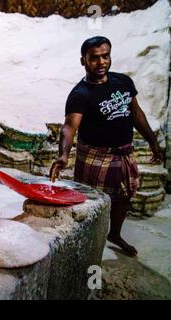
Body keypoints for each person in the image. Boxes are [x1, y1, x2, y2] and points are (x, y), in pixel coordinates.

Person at [49, 36, 163, 257]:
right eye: (94, 58)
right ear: (83, 61)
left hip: (124, 153)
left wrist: (153, 142)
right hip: (95, 156)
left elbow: (136, 113)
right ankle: (87, 244)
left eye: (105, 56)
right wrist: (63, 155)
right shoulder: (80, 95)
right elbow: (69, 126)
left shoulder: (123, 82)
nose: (101, 62)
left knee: (124, 197)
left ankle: (115, 234)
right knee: (91, 203)